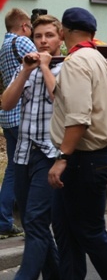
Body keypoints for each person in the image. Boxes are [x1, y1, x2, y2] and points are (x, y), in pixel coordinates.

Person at [47, 7, 107, 279]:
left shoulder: (76, 62)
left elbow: (79, 117)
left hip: (84, 158)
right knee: (65, 228)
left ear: (63, 31)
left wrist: (62, 158)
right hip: (91, 157)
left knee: (89, 232)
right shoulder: (96, 58)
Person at [1, 15, 63, 279]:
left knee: (36, 222)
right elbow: (6, 103)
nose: (43, 41)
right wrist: (26, 70)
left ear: (60, 37)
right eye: (38, 36)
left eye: (49, 35)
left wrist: (46, 68)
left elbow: (59, 99)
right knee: (31, 222)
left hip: (49, 154)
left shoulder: (65, 67)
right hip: (24, 153)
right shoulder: (25, 67)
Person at [0, 8, 35, 239]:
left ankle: (4, 220)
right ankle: (30, 221)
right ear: (24, 26)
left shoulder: (4, 45)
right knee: (27, 170)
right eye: (32, 28)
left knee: (14, 168)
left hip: (8, 116)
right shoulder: (22, 42)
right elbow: (44, 61)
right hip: (22, 115)